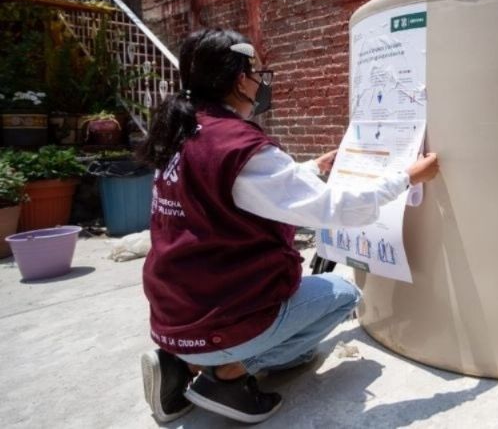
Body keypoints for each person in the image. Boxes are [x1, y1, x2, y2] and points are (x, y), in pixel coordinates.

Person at [136, 28, 439, 424]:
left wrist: (311, 169)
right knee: (343, 295)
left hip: (174, 312)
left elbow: (231, 193)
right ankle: (227, 375)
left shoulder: (181, 129)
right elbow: (333, 208)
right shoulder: (240, 147)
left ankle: (181, 364)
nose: (261, 82)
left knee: (301, 342)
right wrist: (407, 178)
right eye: (257, 72)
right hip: (219, 315)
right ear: (239, 78)